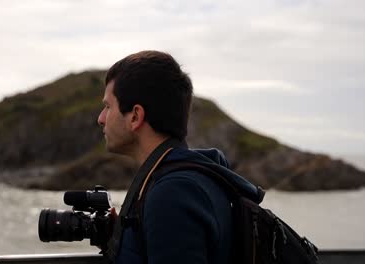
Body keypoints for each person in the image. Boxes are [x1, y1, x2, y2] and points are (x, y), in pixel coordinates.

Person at [97, 50, 261, 264]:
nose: (101, 118)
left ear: (135, 116)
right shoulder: (197, 178)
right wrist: (126, 238)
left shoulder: (172, 193)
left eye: (108, 106)